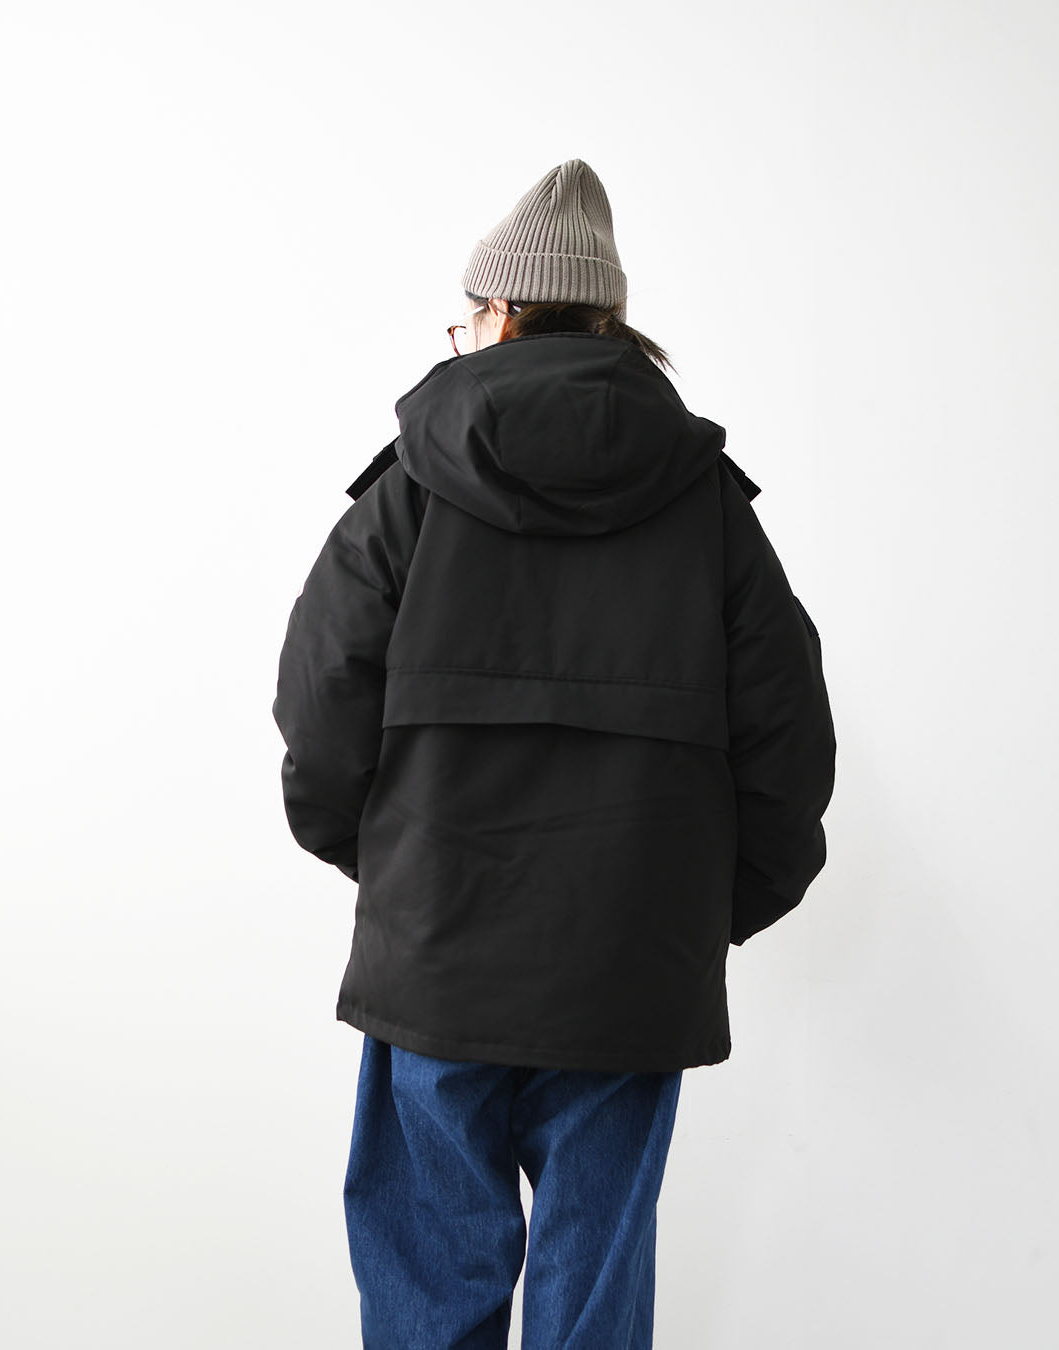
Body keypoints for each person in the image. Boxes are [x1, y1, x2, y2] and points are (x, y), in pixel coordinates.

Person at [272, 158, 836, 1349]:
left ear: (503, 314)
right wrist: (701, 909)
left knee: (430, 1284)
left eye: (467, 316)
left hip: (437, 949)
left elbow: (321, 698)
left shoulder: (409, 489)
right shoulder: (708, 504)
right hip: (632, 960)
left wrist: (389, 869)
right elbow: (790, 743)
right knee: (594, 1299)